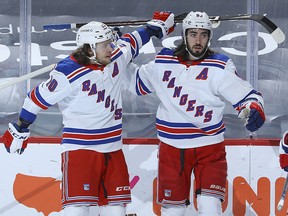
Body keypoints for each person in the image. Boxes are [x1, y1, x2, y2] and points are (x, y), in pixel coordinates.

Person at [2, 12, 175, 216]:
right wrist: (21, 127)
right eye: (105, 45)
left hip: (113, 150)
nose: (111, 48)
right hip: (80, 150)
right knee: (77, 210)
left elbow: (133, 41)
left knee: (117, 210)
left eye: (111, 43)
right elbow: (35, 99)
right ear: (90, 48)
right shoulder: (67, 73)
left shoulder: (116, 57)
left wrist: (156, 27)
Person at [128, 11, 266, 215]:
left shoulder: (219, 65)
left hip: (209, 148)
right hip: (171, 149)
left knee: (210, 209)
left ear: (210, 37)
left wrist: (254, 108)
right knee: (173, 211)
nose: (198, 40)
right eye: (193, 34)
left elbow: (248, 96)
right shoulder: (163, 61)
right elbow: (131, 79)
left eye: (203, 34)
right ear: (185, 35)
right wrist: (131, 41)